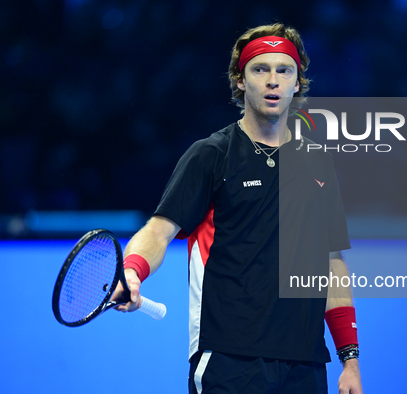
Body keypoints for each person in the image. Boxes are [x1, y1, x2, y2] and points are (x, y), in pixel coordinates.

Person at [113, 23, 363, 394]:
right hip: (229, 360)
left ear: (297, 83)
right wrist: (133, 271)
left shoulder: (317, 163)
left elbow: (330, 263)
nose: (273, 80)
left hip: (306, 364)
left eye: (284, 70)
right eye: (260, 69)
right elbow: (158, 230)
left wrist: (350, 360)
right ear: (241, 80)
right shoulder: (211, 155)